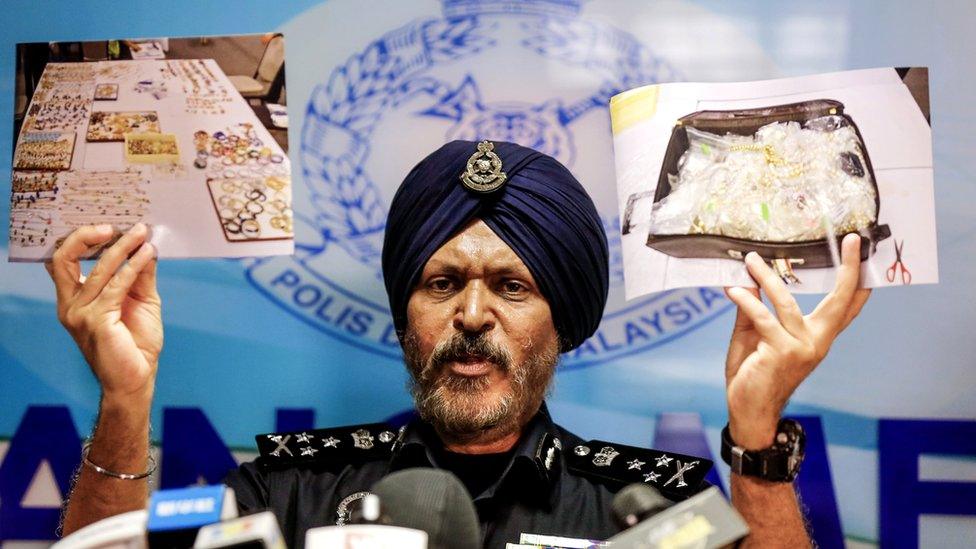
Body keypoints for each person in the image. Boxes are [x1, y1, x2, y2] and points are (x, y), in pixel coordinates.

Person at [50, 140, 869, 548]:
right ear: (408, 311)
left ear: (563, 318)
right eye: (442, 282)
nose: (472, 313)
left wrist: (756, 440)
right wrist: (124, 400)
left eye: (513, 286)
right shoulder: (288, 490)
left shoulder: (655, 511)